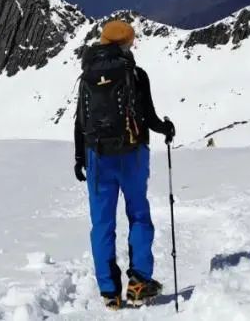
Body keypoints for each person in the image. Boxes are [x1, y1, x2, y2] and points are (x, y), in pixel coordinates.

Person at [74, 19, 176, 309]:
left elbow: (80, 122)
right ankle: (139, 281)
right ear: (125, 42)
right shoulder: (135, 74)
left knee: (102, 224)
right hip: (132, 155)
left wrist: (80, 157)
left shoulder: (87, 76)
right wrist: (166, 128)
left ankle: (110, 292)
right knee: (138, 214)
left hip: (97, 157)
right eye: (132, 39)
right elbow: (150, 117)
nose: (134, 43)